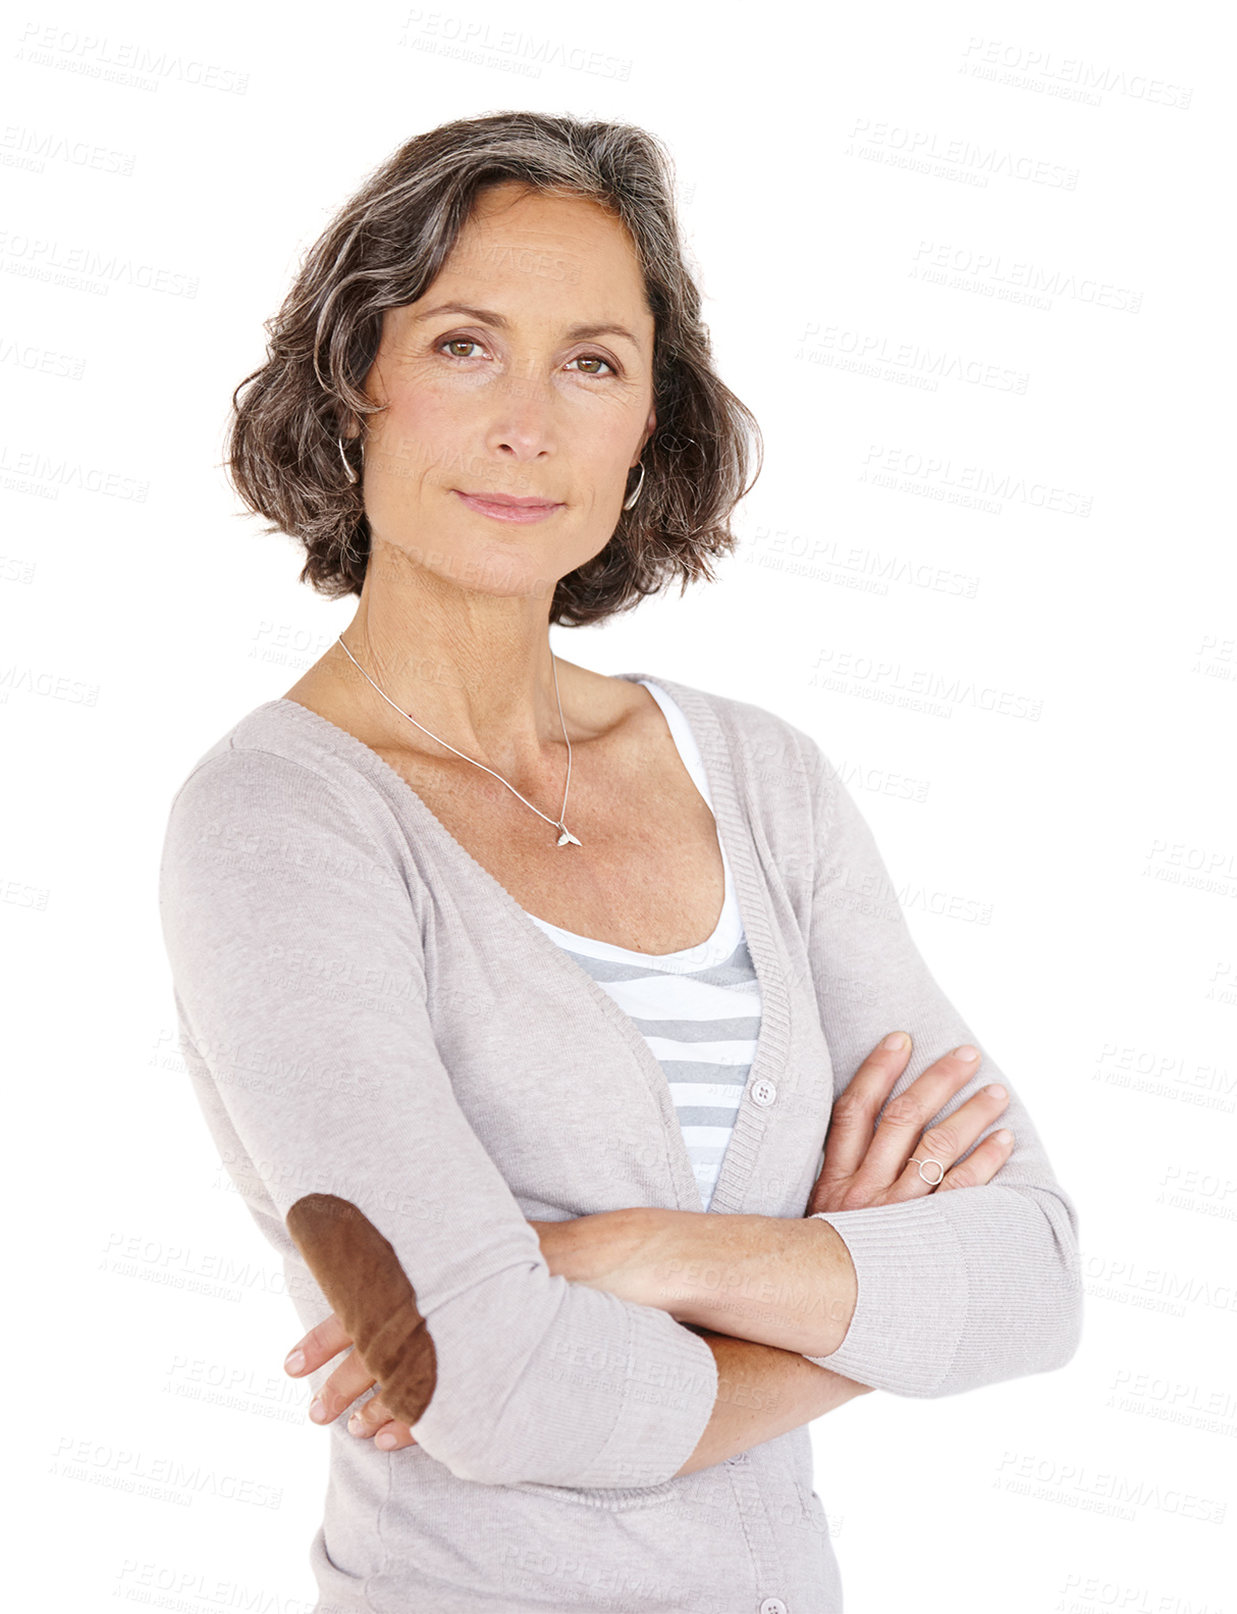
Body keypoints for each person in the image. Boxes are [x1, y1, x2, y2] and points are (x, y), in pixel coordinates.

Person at [157, 111, 1083, 1614]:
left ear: (649, 419)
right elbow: (490, 1381)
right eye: (464, 344)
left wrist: (618, 1252)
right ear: (355, 386)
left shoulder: (759, 780)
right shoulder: (278, 822)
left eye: (590, 361)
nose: (529, 421)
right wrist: (850, 1289)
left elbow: (1031, 1274)